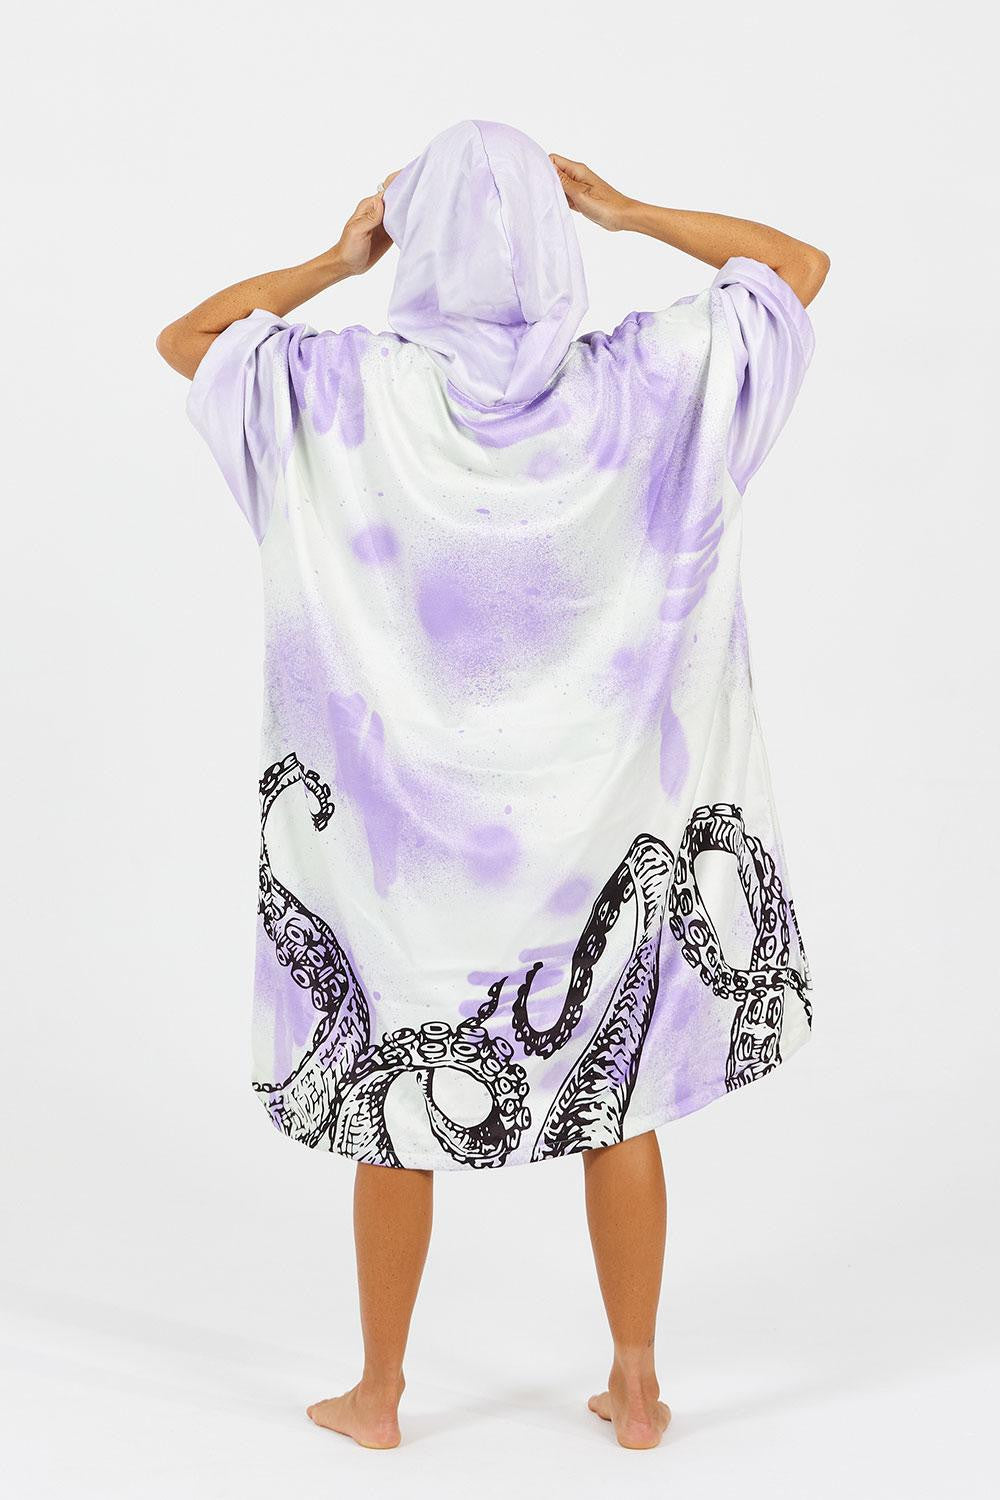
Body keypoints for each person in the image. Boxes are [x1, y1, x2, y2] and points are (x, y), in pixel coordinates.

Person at [156, 120, 828, 1452]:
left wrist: (334, 262)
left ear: (415, 243)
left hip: (405, 848)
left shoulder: (341, 391)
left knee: (390, 1107)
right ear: (556, 247)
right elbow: (796, 269)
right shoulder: (647, 382)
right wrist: (633, 212)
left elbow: (190, 340)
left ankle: (379, 1395)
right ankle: (637, 1387)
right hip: (602, 837)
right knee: (616, 1094)